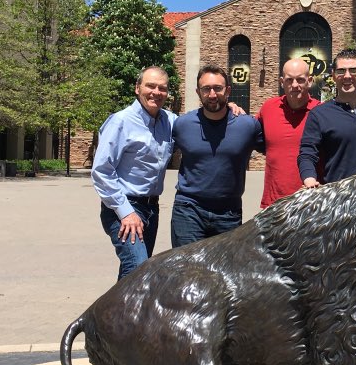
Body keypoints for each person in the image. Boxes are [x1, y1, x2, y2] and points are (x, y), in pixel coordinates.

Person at [258, 58, 356, 208]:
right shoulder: (270, 108)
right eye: (289, 80)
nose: (295, 85)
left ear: (309, 81)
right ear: (281, 82)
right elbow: (307, 153)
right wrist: (230, 107)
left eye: (300, 80)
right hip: (287, 202)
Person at [92, 66, 176, 280]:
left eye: (162, 88)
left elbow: (199, 121)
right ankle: (121, 314)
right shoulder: (121, 121)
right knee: (138, 270)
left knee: (132, 272)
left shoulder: (170, 121)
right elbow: (102, 170)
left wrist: (230, 108)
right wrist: (126, 212)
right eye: (150, 86)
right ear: (137, 88)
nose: (156, 92)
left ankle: (114, 314)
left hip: (151, 209)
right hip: (123, 207)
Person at [170, 64, 264, 247]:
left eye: (218, 88)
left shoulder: (247, 126)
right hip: (189, 210)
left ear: (228, 90)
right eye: (206, 89)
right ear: (198, 92)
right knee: (188, 270)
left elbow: (276, 149)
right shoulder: (183, 124)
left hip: (229, 213)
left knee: (222, 274)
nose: (212, 94)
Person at [298, 49, 356, 187]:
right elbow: (307, 154)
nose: (347, 76)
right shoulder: (319, 114)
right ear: (333, 75)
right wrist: (309, 180)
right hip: (339, 198)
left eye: (353, 70)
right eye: (341, 71)